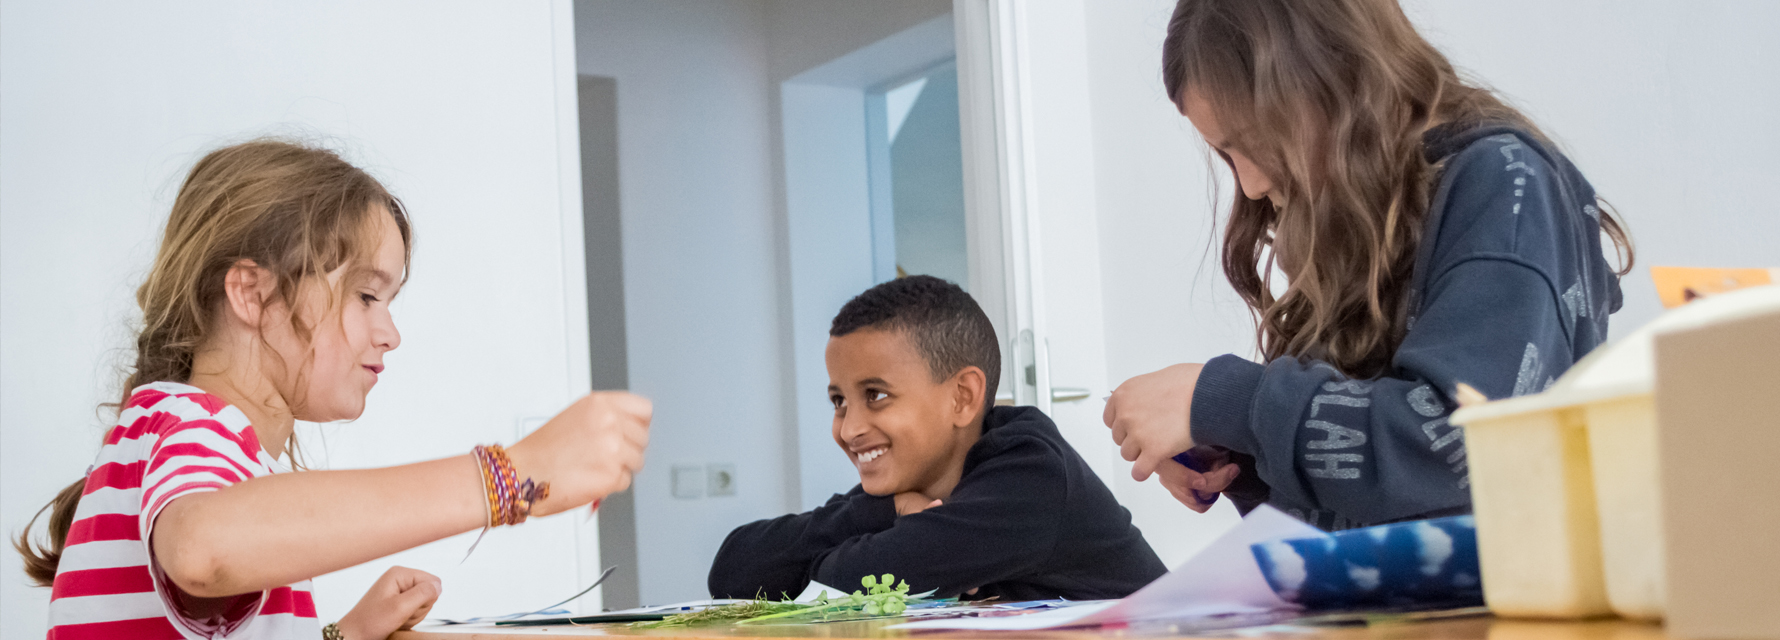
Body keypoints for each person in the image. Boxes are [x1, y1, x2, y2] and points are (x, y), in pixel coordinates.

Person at [13, 140, 651, 638]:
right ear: (252, 292)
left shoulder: (172, 431)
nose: (390, 333)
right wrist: (511, 476)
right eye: (366, 295)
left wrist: (342, 635)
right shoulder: (193, 426)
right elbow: (204, 549)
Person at [1103, 0, 1635, 531]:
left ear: (1331, 77)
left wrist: (1233, 401)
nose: (1250, 184)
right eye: (1226, 154)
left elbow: (1466, 452)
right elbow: (1371, 503)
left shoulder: (1503, 183)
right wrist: (1240, 456)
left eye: (1255, 142)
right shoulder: (1354, 216)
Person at [710, 276, 1165, 601]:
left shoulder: (1032, 473)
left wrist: (842, 556)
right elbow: (732, 571)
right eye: (838, 401)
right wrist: (877, 513)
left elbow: (849, 581)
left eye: (876, 395)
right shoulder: (912, 482)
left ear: (962, 398)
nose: (848, 429)